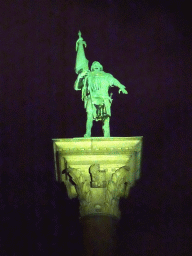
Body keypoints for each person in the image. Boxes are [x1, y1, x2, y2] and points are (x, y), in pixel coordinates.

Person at [74, 61, 128, 137]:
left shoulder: (106, 75)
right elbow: (77, 87)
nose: (96, 65)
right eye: (94, 65)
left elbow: (114, 81)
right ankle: (88, 133)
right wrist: (80, 76)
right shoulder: (88, 76)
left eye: (97, 65)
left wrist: (121, 87)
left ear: (100, 67)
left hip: (104, 98)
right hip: (92, 98)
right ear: (92, 68)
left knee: (106, 118)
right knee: (89, 115)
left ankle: (107, 134)